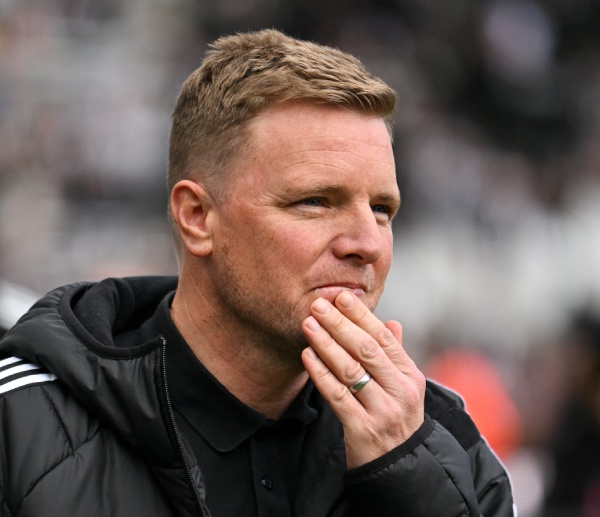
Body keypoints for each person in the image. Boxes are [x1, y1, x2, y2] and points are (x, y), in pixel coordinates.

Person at [0, 29, 515, 516]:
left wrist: (411, 485)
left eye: (382, 209)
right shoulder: (20, 426)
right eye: (315, 201)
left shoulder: (448, 449)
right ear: (198, 218)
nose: (367, 244)